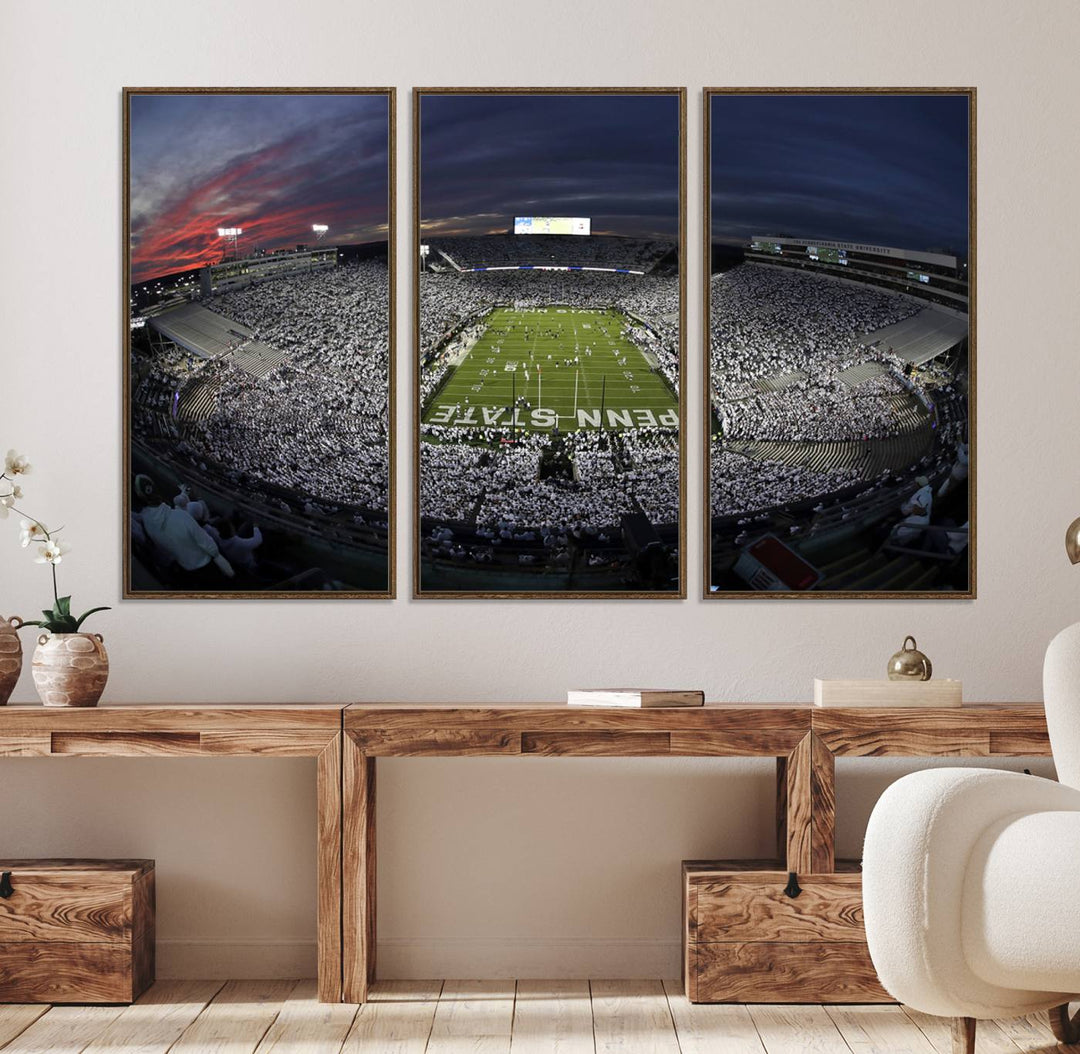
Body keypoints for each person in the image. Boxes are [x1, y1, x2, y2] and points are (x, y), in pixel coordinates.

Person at [134, 475, 235, 581]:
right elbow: (207, 544)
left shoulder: (147, 524)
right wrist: (226, 567)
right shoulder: (181, 516)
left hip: (187, 568)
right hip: (206, 564)